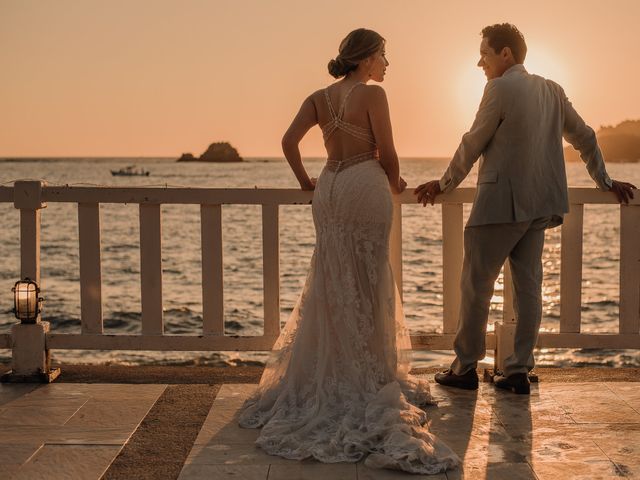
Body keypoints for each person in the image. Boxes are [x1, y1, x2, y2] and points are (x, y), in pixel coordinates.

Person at [239, 28, 459, 474]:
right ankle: (368, 372)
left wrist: (305, 182)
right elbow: (390, 153)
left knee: (332, 279)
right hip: (363, 183)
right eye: (383, 55)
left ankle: (335, 367)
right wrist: (396, 184)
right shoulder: (373, 95)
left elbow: (287, 142)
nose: (386, 64)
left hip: (331, 187)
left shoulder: (319, 96)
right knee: (368, 279)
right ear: (367, 58)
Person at [415, 23, 636, 395]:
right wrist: (605, 182)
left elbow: (472, 143)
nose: (479, 62)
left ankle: (465, 368)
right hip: (541, 205)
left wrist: (444, 183)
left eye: (484, 53)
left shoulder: (498, 88)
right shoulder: (552, 89)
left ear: (506, 54)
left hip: (500, 204)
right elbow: (586, 136)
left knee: (475, 287)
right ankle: (516, 371)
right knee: (529, 289)